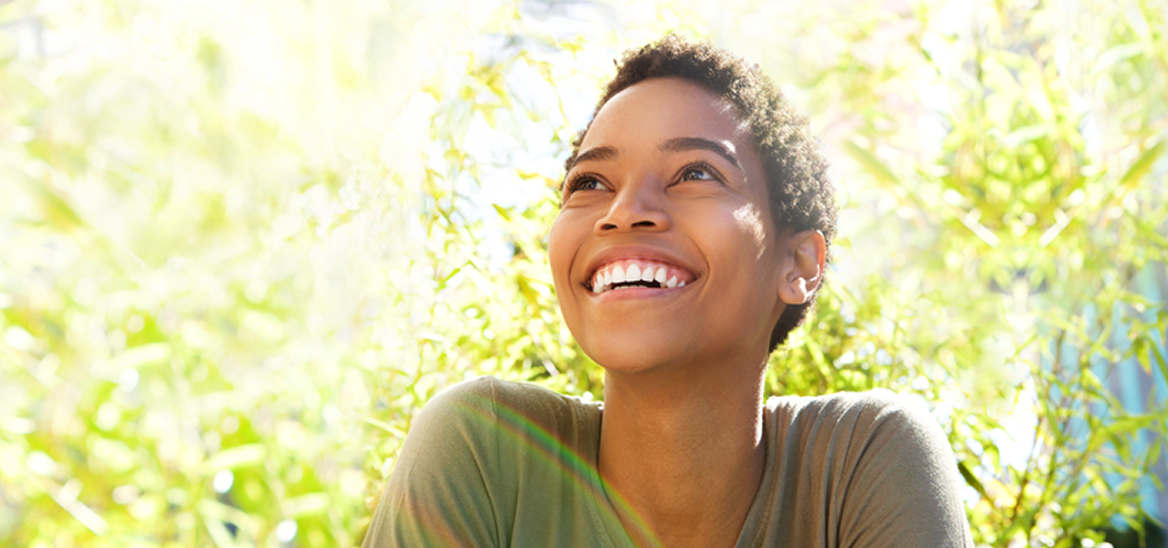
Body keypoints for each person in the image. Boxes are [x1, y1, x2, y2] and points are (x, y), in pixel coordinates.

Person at [363, 36, 973, 548]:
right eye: (591, 181)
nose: (625, 211)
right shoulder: (487, 449)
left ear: (798, 263)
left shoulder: (861, 464)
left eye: (695, 173)